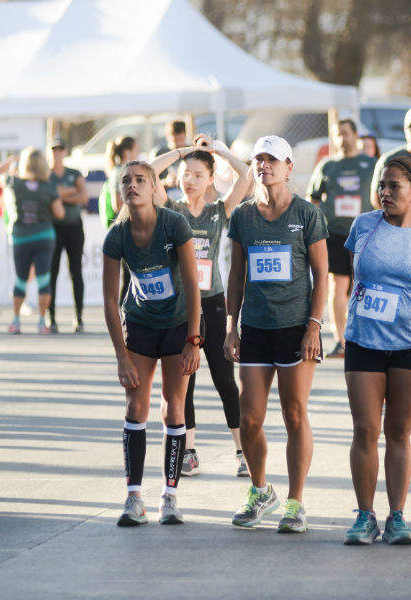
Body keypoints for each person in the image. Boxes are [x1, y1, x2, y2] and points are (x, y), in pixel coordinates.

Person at [342, 155, 411, 545]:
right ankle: (365, 515)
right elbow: (357, 276)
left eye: (394, 187)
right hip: (363, 341)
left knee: (399, 432)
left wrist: (405, 306)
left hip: (410, 343)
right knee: (366, 430)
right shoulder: (363, 225)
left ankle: (398, 517)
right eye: (382, 186)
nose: (385, 193)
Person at [223, 135, 328, 533]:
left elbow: (322, 277)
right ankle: (260, 490)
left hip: (297, 329)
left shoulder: (307, 214)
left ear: (288, 167)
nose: (264, 166)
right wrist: (231, 326)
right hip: (255, 327)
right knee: (249, 418)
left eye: (272, 160)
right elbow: (236, 274)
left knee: (294, 414)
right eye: (258, 160)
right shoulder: (243, 216)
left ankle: (295, 502)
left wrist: (315, 327)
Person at [102, 160, 202, 527]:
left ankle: (170, 497)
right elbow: (111, 300)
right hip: (141, 324)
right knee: (135, 406)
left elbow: (193, 283)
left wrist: (194, 339)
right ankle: (133, 497)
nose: (133, 185)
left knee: (174, 409)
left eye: (141, 179)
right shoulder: (117, 235)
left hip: (178, 326)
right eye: (126, 180)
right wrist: (121, 356)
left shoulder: (174, 224)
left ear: (155, 186)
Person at [151, 134, 252, 477]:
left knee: (226, 380)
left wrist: (218, 152)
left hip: (212, 305)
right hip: (182, 308)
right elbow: (148, 172)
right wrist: (182, 151)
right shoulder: (172, 210)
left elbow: (247, 178)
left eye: (197, 174)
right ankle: (189, 452)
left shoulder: (217, 212)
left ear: (210, 180)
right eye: (185, 173)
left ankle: (243, 452)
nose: (189, 180)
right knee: (186, 382)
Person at [306, 119, 376, 359]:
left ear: (356, 135)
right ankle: (342, 340)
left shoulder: (370, 164)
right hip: (335, 235)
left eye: (345, 133)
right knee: (338, 285)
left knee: (365, 287)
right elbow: (312, 198)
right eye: (338, 134)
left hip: (364, 234)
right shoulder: (327, 166)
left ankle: (364, 338)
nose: (341, 138)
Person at [0, 148, 65, 334]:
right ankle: (42, 321)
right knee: (43, 279)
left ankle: (16, 320)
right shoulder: (47, 186)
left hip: (20, 237)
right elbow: (60, 213)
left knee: (21, 279)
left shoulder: (14, 182)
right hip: (44, 236)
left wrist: (11, 158)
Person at [46, 137, 88, 333]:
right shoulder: (46, 175)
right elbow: (45, 198)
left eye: (60, 148)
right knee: (51, 272)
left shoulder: (74, 173)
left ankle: (78, 316)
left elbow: (84, 196)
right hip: (53, 227)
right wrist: (68, 193)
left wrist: (59, 195)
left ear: (65, 151)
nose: (57, 152)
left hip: (73, 226)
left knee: (76, 272)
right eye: (54, 149)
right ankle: (51, 316)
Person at [99, 136, 139, 229]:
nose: (138, 153)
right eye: (136, 149)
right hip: (123, 226)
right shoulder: (119, 172)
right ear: (127, 152)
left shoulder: (128, 170)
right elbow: (117, 205)